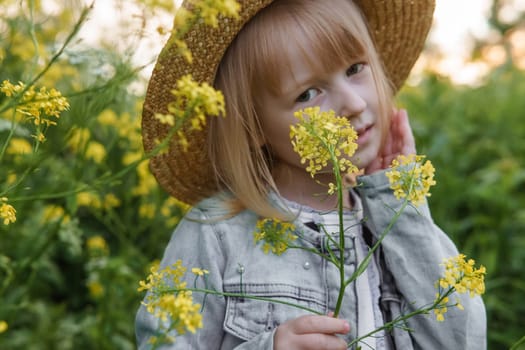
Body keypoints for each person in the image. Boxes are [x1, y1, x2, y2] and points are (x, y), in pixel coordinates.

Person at [136, 0, 487, 349]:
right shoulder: (216, 233)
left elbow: (462, 341)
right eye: (307, 94)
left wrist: (400, 199)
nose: (353, 103)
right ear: (253, 127)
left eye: (355, 68)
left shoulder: (393, 221)